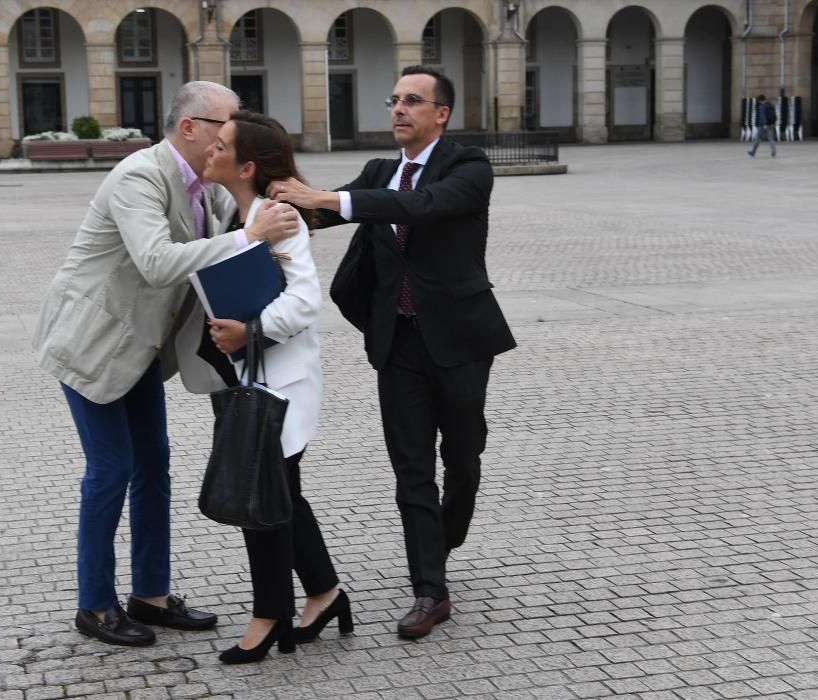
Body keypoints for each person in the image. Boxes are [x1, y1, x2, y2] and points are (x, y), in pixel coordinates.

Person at [32, 81, 300, 647]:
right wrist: (250, 235)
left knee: (154, 466)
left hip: (143, 351)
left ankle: (150, 596)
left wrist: (296, 203)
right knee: (111, 471)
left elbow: (244, 221)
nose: (230, 137)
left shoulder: (208, 187)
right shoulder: (138, 176)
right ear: (190, 128)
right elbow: (157, 263)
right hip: (92, 343)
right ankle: (95, 605)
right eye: (224, 127)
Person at [267, 65, 516, 639]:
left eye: (412, 101)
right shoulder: (381, 171)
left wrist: (331, 196)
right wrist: (262, 195)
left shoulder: (468, 166)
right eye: (394, 100)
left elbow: (422, 206)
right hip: (398, 342)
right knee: (411, 469)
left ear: (441, 114)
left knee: (464, 455)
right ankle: (430, 589)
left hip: (460, 341)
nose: (398, 110)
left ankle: (446, 532)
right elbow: (322, 213)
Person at [173, 110, 353, 664]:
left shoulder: (279, 217)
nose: (210, 149)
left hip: (281, 384)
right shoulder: (238, 209)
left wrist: (248, 331)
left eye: (221, 145)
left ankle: (268, 614)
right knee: (282, 494)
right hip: (253, 377)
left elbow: (303, 302)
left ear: (246, 164)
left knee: (263, 500)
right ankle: (324, 593)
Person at [748, 94, 777, 158]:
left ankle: (753, 152)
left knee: (758, 139)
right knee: (771, 139)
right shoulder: (770, 105)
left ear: (760, 100)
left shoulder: (762, 106)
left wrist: (764, 124)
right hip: (770, 124)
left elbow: (762, 116)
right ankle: (774, 152)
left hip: (762, 125)